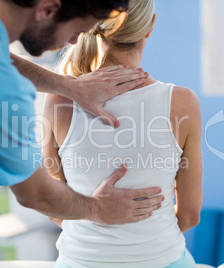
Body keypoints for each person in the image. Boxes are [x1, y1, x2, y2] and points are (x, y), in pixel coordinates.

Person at [0, 0, 166, 267]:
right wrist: (98, 208)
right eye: (78, 30)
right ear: (48, 9)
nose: (76, 41)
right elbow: (37, 194)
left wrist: (66, 86)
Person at [42, 0, 203, 267]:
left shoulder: (58, 102)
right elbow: (189, 216)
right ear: (150, 26)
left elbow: (49, 203)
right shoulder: (182, 103)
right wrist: (142, 242)